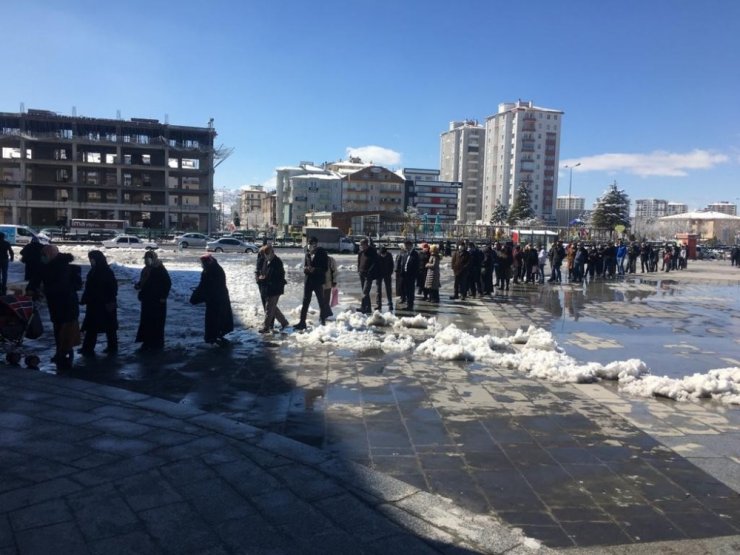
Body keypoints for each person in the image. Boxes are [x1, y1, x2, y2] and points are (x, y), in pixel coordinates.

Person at [40, 245, 82, 371]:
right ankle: (60, 353)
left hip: (66, 304)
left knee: (66, 330)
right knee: (58, 329)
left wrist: (45, 290)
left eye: (44, 255)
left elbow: (61, 286)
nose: (42, 257)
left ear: (51, 254)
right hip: (57, 304)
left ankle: (66, 355)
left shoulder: (61, 267)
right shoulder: (51, 265)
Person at [79, 250, 118, 355]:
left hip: (104, 304)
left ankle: (112, 347)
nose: (91, 261)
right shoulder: (94, 270)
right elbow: (89, 287)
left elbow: (113, 288)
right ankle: (88, 348)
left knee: (108, 328)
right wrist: (85, 299)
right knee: (93, 327)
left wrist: (106, 299)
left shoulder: (106, 271)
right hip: (95, 304)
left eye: (92, 259)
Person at [190, 254, 234, 344]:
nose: (201, 265)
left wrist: (197, 296)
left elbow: (207, 286)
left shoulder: (211, 271)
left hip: (216, 300)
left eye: (202, 263)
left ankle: (213, 337)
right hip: (218, 298)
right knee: (219, 318)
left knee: (215, 319)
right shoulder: (214, 268)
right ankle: (217, 335)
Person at [135, 251, 171, 351]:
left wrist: (163, 296)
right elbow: (144, 281)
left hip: (157, 301)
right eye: (145, 259)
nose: (146, 261)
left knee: (156, 322)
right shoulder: (146, 270)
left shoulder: (160, 269)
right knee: (146, 321)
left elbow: (167, 283)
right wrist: (139, 285)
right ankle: (147, 342)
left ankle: (157, 343)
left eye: (149, 259)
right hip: (147, 300)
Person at [294, 236, 332, 330]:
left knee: (321, 301)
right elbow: (305, 266)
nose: (310, 245)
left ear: (316, 244)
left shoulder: (322, 253)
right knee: (305, 301)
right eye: (309, 243)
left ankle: (322, 321)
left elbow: (325, 268)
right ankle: (302, 322)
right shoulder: (307, 254)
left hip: (318, 281)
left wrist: (314, 269)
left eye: (312, 243)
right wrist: (306, 269)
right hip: (308, 281)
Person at [256, 245, 290, 333]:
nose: (266, 256)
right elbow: (262, 271)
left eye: (267, 254)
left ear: (272, 252)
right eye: (264, 254)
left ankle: (266, 327)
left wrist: (264, 278)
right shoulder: (267, 261)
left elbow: (275, 276)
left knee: (269, 308)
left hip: (275, 288)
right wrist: (261, 277)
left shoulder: (277, 262)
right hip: (269, 288)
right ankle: (284, 322)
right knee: (273, 308)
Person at [357, 238, 378, 314]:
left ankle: (365, 308)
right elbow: (359, 261)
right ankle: (366, 307)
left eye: (362, 245)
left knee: (365, 292)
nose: (361, 246)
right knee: (364, 291)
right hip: (362, 274)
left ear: (366, 244)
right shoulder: (361, 252)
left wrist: (370, 271)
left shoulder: (372, 251)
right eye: (361, 245)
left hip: (368, 275)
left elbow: (375, 262)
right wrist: (358, 270)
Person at [400, 240, 419, 311]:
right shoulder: (405, 254)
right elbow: (403, 264)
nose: (405, 247)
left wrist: (414, 275)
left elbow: (416, 266)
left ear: (410, 245)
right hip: (404, 275)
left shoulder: (415, 254)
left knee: (410, 291)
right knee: (406, 290)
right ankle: (407, 304)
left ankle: (410, 305)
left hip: (411, 276)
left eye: (406, 245)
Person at [375, 245, 394, 311]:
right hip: (379, 274)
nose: (383, 255)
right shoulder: (377, 255)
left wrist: (390, 273)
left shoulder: (389, 255)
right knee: (378, 290)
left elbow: (392, 265)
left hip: (387, 274)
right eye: (382, 254)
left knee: (388, 289)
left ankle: (390, 303)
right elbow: (375, 265)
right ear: (380, 253)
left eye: (384, 254)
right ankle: (378, 304)